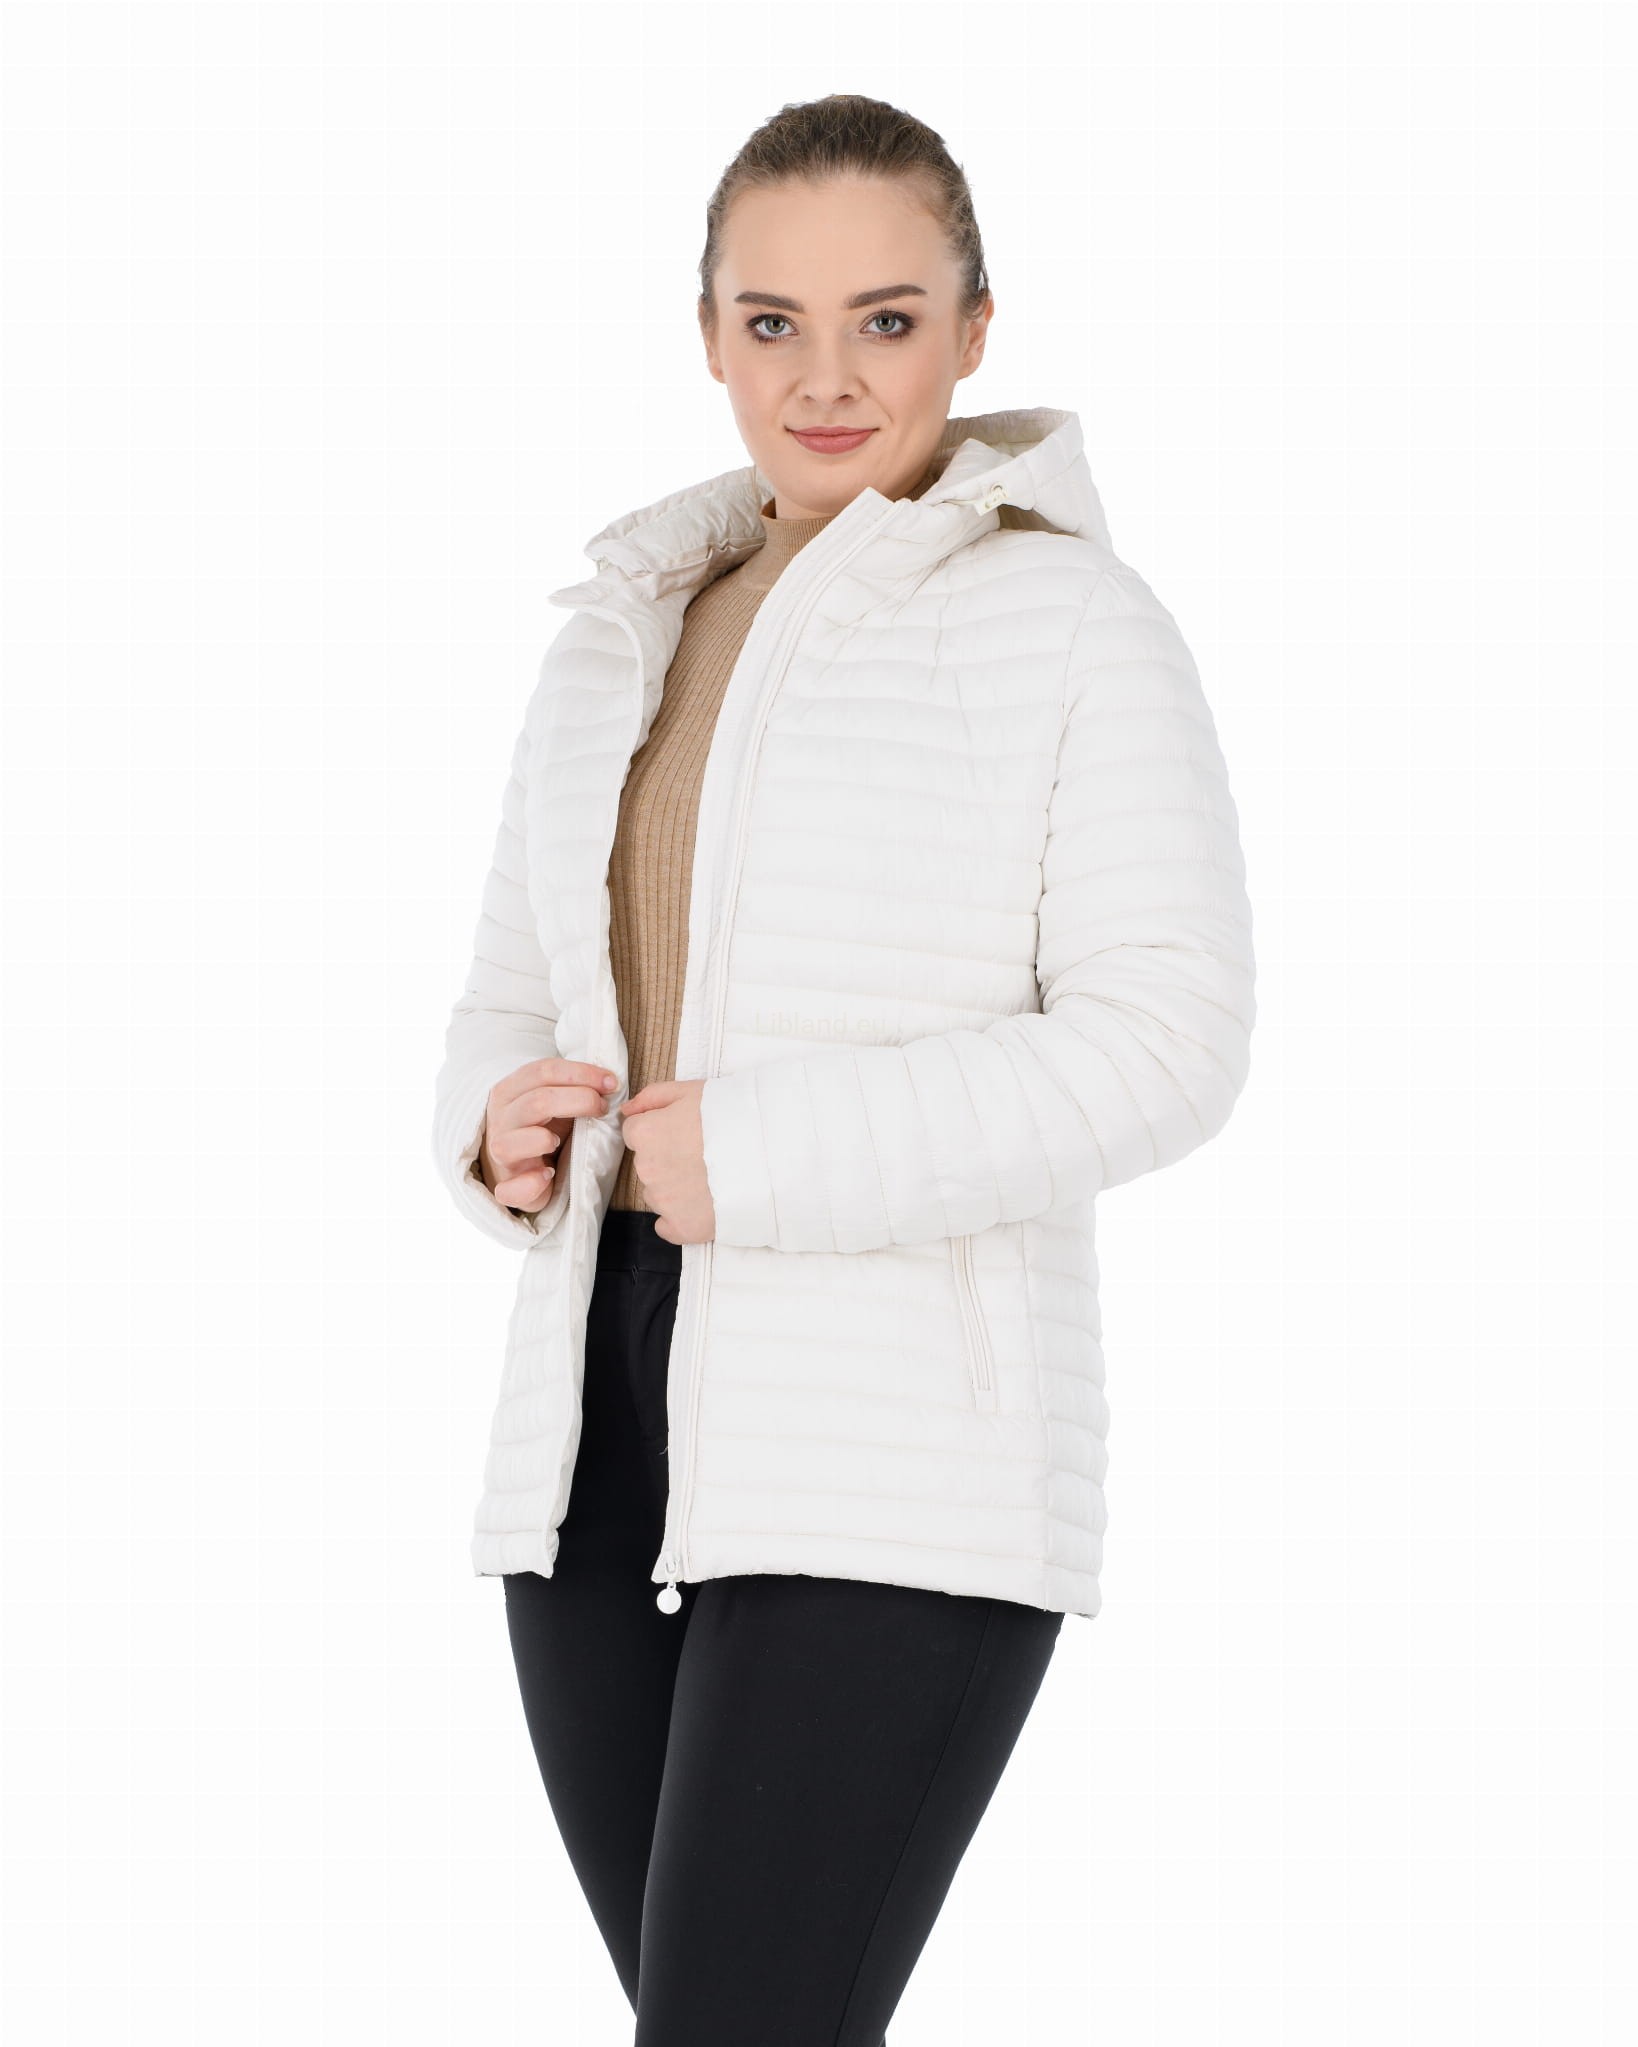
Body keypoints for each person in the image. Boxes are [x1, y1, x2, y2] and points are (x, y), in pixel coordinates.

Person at [431, 93, 1256, 2047]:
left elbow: (1171, 1040)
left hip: (898, 1454)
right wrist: (498, 1123)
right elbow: (508, 993)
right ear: (707, 335)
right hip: (593, 1433)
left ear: (973, 330)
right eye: (773, 322)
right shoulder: (618, 635)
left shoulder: (1073, 623)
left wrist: (768, 1156)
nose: (826, 377)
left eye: (885, 320)